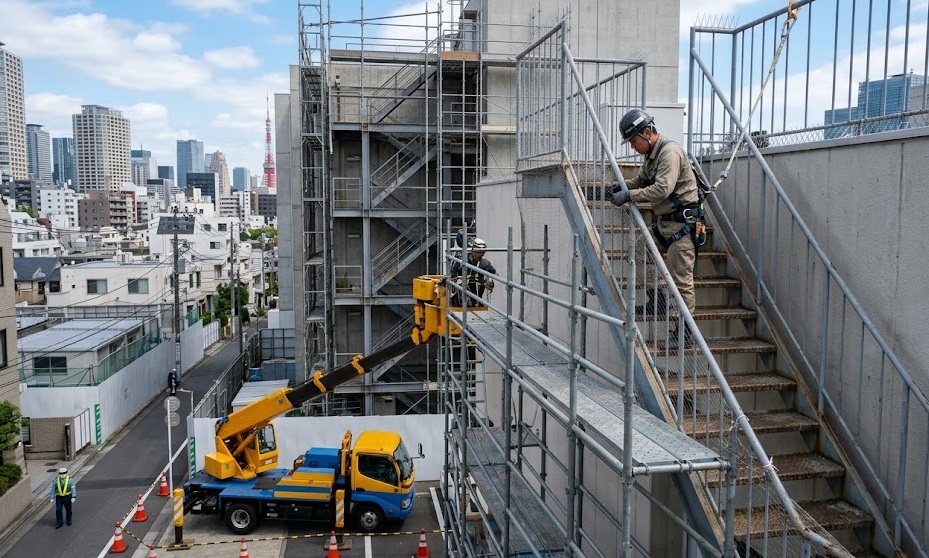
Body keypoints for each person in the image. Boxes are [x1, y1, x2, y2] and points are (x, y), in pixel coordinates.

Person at [610, 109, 699, 315]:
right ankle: (656, 300)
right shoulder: (651, 154)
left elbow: (662, 189)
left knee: (681, 281)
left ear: (647, 133)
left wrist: (628, 196)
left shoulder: (669, 153)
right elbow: (641, 180)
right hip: (665, 223)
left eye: (633, 141)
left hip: (682, 225)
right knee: (640, 250)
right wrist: (620, 187)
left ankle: (683, 330)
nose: (632, 146)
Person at [449, 238, 496, 306]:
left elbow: (493, 273)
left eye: (483, 252)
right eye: (479, 252)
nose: (481, 254)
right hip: (462, 292)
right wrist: (455, 281)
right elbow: (453, 272)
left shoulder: (485, 263)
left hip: (477, 293)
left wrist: (490, 280)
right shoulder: (463, 260)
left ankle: (476, 303)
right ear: (473, 251)